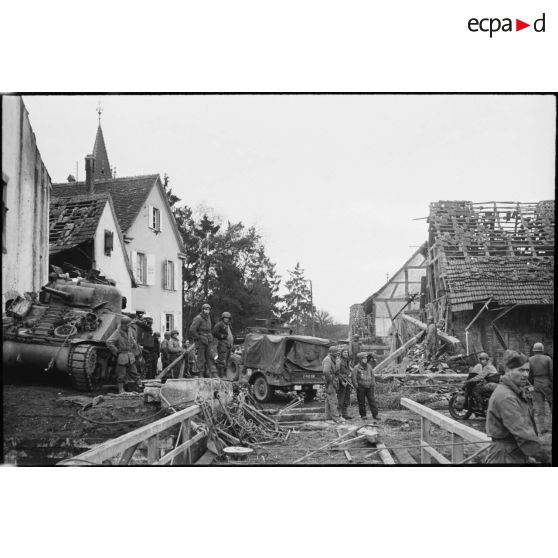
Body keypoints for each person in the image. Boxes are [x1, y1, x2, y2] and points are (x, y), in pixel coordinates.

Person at [485, 351, 549, 464]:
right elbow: (523, 435)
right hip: (505, 456)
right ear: (508, 371)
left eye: (527, 370)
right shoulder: (506, 397)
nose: (525, 375)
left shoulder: (514, 392)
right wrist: (546, 457)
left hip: (514, 452)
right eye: (521, 370)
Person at [106, 316, 141, 393]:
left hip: (129, 354)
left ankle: (140, 386)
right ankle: (121, 389)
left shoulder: (129, 330)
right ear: (123, 325)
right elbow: (109, 342)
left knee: (134, 372)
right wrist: (116, 351)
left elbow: (131, 338)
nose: (129, 327)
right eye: (128, 325)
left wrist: (135, 346)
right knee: (121, 374)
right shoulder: (117, 332)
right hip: (122, 355)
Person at [529, 343, 553, 434]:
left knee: (540, 407)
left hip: (536, 383)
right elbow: (551, 372)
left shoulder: (530, 359)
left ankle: (542, 428)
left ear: (534, 350)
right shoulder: (548, 359)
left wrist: (531, 384)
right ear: (542, 350)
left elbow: (529, 375)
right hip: (547, 382)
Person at [351, 352, 379, 422]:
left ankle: (375, 414)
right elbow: (353, 378)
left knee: (372, 401)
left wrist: (372, 384)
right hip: (361, 387)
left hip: (369, 387)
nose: (365, 359)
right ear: (360, 359)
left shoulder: (369, 366)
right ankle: (363, 415)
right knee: (361, 402)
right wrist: (356, 386)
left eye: (366, 358)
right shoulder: (356, 368)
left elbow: (372, 376)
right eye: (363, 358)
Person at [189, 303, 214, 378]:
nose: (207, 311)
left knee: (210, 357)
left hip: (208, 340)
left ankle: (212, 372)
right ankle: (201, 374)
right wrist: (199, 337)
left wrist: (209, 336)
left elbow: (209, 329)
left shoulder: (208, 318)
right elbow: (192, 330)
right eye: (205, 309)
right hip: (200, 341)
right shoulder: (198, 318)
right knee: (201, 358)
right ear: (202, 310)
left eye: (208, 309)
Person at [323, 347, 344, 423]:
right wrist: (329, 380)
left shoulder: (335, 359)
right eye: (336, 353)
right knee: (333, 399)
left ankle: (328, 417)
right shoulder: (327, 360)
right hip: (330, 381)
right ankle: (336, 418)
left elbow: (337, 371)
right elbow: (326, 371)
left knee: (329, 399)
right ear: (331, 353)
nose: (337, 354)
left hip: (334, 380)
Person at [212, 311, 234, 378]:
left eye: (228, 318)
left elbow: (230, 335)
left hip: (229, 344)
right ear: (223, 318)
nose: (226, 319)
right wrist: (222, 336)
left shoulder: (229, 325)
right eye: (225, 318)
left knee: (228, 361)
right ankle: (220, 376)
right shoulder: (219, 324)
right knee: (221, 360)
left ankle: (225, 375)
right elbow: (214, 332)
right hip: (222, 343)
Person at [337, 349, 353, 419]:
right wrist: (342, 382)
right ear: (341, 353)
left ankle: (345, 414)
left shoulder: (347, 361)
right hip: (342, 382)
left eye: (347, 352)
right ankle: (339, 414)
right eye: (344, 352)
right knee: (341, 398)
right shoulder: (339, 361)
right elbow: (338, 373)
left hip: (347, 381)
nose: (346, 353)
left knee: (347, 398)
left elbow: (349, 370)